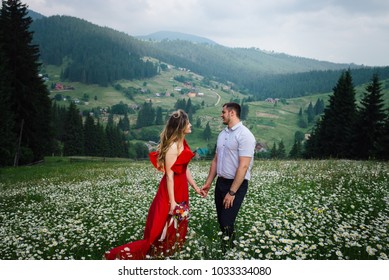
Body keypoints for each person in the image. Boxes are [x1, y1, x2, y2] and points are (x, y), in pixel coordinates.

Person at [104, 109, 202, 260]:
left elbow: (184, 167)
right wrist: (172, 202)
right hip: (170, 191)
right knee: (159, 226)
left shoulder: (183, 142)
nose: (190, 125)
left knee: (178, 223)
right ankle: (118, 256)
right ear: (181, 126)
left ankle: (168, 253)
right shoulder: (172, 147)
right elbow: (169, 176)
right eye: (188, 122)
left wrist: (195, 187)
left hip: (182, 188)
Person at [201, 102, 256, 252]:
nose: (221, 115)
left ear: (232, 113)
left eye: (223, 112)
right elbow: (216, 160)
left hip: (236, 184)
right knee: (222, 221)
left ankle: (229, 252)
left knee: (226, 221)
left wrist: (232, 192)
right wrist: (208, 183)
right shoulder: (223, 134)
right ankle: (227, 249)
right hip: (221, 182)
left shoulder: (245, 135)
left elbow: (243, 166)